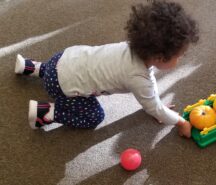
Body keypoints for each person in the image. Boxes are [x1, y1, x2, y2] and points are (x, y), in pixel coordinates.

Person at [14, 0, 199, 138]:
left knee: (70, 68)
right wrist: (180, 122)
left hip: (61, 59)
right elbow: (151, 104)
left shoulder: (133, 46)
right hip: (61, 86)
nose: (181, 59)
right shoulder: (137, 76)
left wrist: (157, 106)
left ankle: (31, 67)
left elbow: (151, 94)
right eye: (179, 56)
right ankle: (45, 112)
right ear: (160, 58)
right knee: (94, 116)